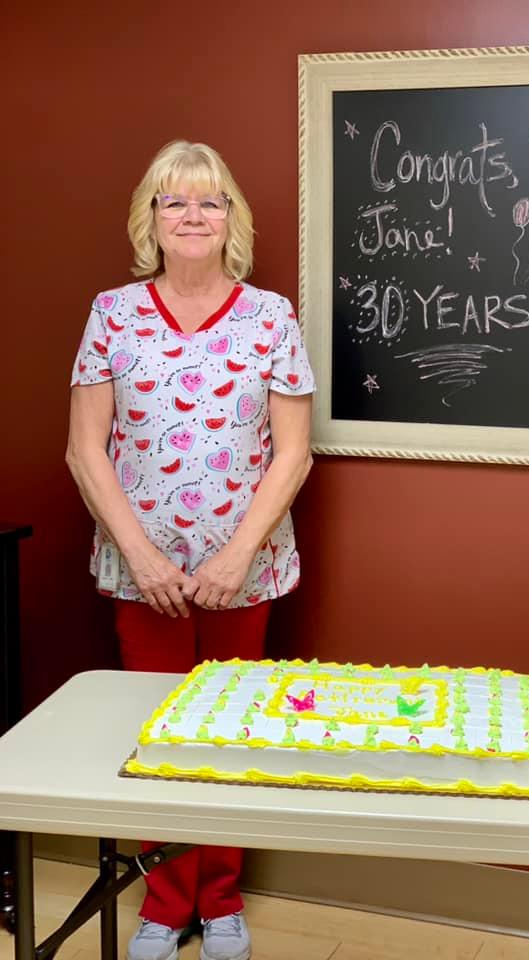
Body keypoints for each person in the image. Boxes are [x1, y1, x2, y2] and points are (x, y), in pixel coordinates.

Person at [66, 140, 315, 960]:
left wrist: (236, 556)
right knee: (160, 734)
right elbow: (86, 450)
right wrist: (141, 557)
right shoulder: (113, 314)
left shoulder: (271, 317)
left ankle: (223, 898)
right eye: (176, 202)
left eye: (211, 201)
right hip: (147, 575)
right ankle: (167, 904)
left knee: (234, 732)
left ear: (232, 219)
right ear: (152, 220)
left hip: (243, 569)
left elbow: (293, 452)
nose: (194, 215)